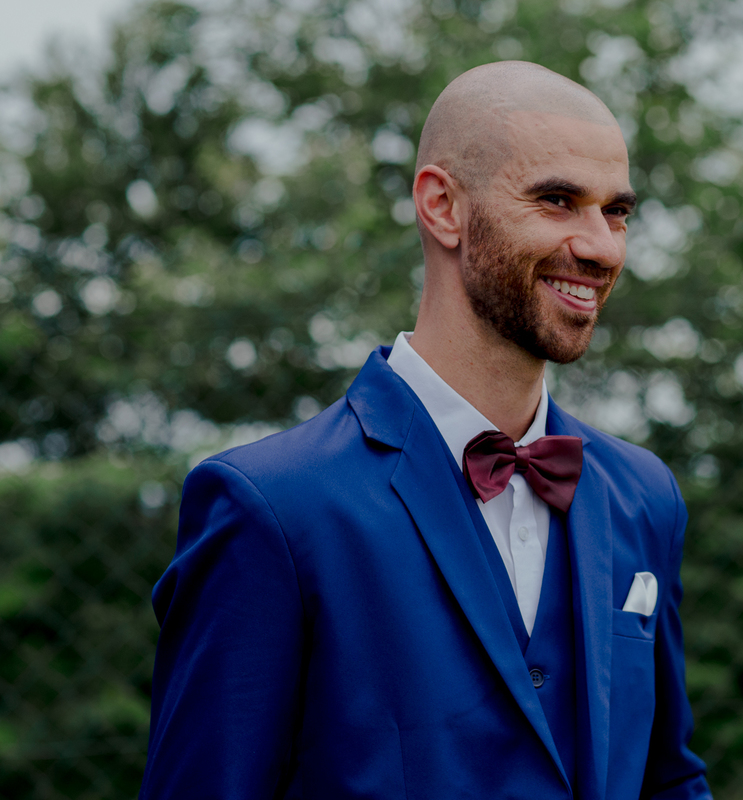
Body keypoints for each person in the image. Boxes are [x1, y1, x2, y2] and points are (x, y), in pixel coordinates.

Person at [141, 61, 711, 800]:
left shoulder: (644, 496)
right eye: (558, 200)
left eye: (617, 211)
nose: (602, 247)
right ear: (443, 207)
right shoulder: (272, 509)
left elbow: (668, 779)